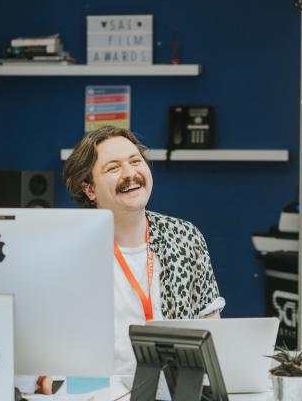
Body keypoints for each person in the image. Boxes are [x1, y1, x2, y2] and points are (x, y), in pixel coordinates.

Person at [63, 126, 225, 375]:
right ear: (90, 189)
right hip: (100, 391)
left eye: (136, 161)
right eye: (113, 167)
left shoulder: (185, 237)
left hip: (175, 389)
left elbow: (210, 323)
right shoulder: (71, 247)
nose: (130, 173)